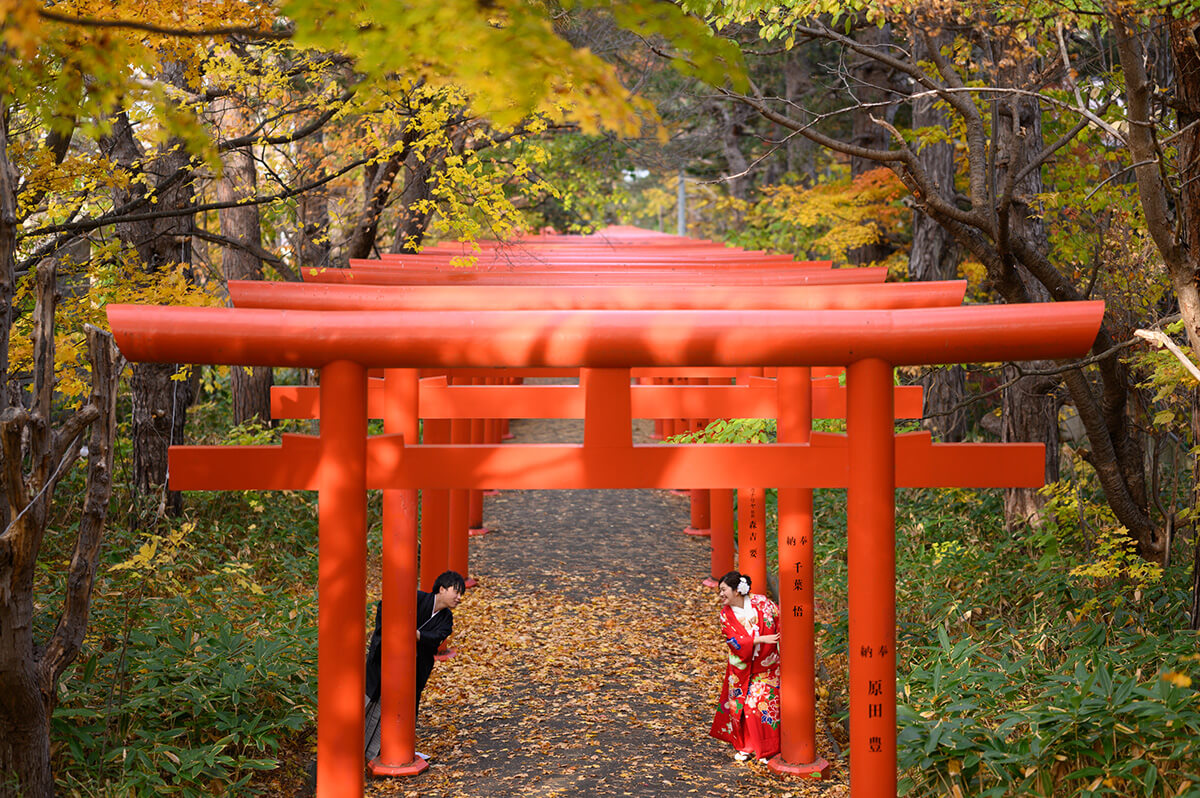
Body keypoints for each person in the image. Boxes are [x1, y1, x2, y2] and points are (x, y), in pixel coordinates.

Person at [364, 570, 466, 760]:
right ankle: (355, 749)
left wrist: (413, 634)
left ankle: (381, 752)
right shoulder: (416, 598)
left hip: (414, 668)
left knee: (401, 709)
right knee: (372, 701)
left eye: (461, 595)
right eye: (456, 592)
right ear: (442, 589)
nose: (459, 598)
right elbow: (386, 607)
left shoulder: (446, 618)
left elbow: (436, 638)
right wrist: (396, 632)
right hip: (387, 660)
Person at [709, 570, 782, 763]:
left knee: (761, 707)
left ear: (737, 590)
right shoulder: (725, 615)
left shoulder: (762, 602)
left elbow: (779, 620)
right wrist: (760, 638)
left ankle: (767, 749)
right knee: (740, 708)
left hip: (767, 665)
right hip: (741, 668)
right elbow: (734, 642)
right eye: (720, 591)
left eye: (724, 590)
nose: (721, 595)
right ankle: (745, 746)